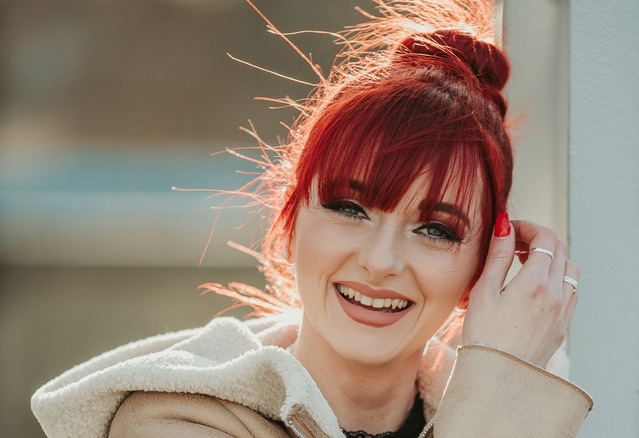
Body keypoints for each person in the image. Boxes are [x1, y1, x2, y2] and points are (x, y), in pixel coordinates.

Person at [32, 0, 592, 436]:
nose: (379, 261)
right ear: (291, 219)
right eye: (350, 208)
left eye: (435, 229)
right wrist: (499, 389)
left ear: (483, 269)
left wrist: (499, 384)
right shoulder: (174, 423)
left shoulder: (521, 415)